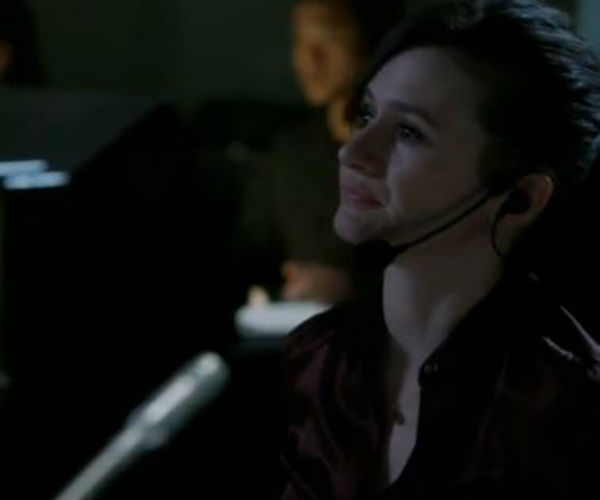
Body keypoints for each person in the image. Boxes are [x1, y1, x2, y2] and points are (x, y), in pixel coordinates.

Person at [280, 0, 600, 498]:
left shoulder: (565, 400)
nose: (353, 152)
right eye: (366, 114)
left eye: (409, 132)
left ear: (521, 197)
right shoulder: (317, 359)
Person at [238, 0, 404, 304]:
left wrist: (350, 286)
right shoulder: (290, 150)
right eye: (300, 40)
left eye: (328, 38)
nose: (309, 59)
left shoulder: (410, 152)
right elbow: (252, 252)